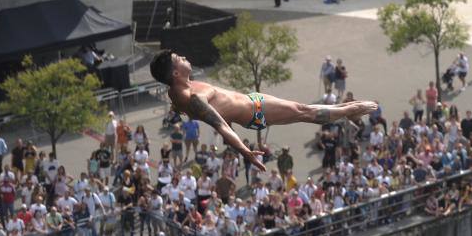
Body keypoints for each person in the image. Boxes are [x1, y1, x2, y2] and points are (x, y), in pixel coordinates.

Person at [150, 51, 376, 171]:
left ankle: (348, 110)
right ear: (176, 74)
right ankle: (351, 110)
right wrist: (245, 152)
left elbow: (176, 102)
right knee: (303, 111)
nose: (184, 57)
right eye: (179, 59)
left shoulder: (176, 93)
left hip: (253, 101)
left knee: (301, 109)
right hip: (256, 113)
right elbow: (221, 126)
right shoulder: (194, 98)